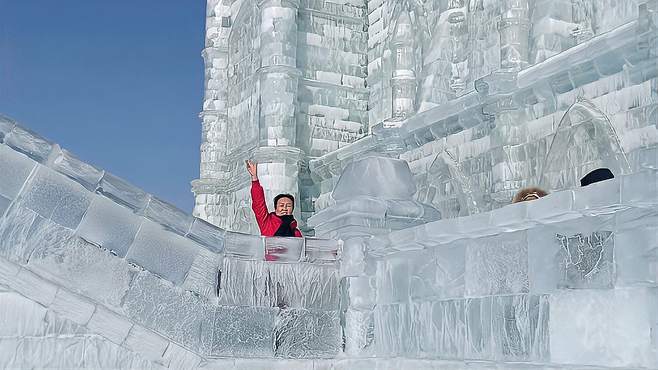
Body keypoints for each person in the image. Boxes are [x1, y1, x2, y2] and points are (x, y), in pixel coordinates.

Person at [245, 160, 302, 238]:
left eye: (288, 205)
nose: (285, 208)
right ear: (275, 208)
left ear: (292, 209)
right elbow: (258, 203)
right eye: (281, 205)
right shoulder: (267, 223)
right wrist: (254, 178)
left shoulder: (296, 232)